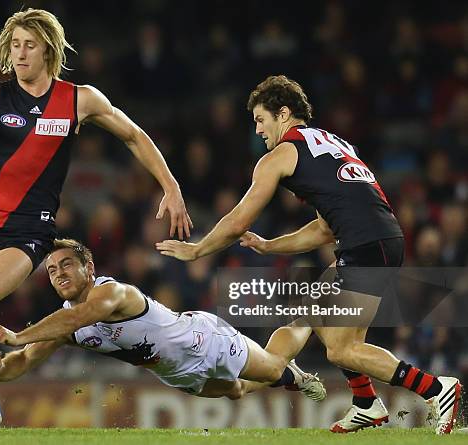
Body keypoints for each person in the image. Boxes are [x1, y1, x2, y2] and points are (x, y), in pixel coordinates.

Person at [0, 8, 192, 432]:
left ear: (48, 49)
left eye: (29, 45)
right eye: (14, 45)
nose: (20, 53)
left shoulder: (79, 99)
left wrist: (171, 185)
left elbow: (134, 135)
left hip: (30, 230)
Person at [156, 75, 462, 434]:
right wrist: (271, 245)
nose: (257, 129)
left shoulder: (281, 154)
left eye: (260, 119)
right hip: (376, 239)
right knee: (308, 313)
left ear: (283, 114)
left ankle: (437, 388)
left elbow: (238, 220)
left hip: (367, 245)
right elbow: (324, 228)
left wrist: (197, 251)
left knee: (342, 349)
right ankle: (366, 403)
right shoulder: (332, 143)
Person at [0, 239, 325, 409]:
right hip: (178, 374)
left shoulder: (111, 292)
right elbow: (23, 362)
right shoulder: (64, 326)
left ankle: (309, 315)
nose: (59, 274)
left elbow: (79, 316)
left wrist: (19, 335)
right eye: (52, 270)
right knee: (236, 392)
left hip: (205, 340)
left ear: (89, 268)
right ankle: (289, 371)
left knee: (275, 369)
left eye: (67, 265)